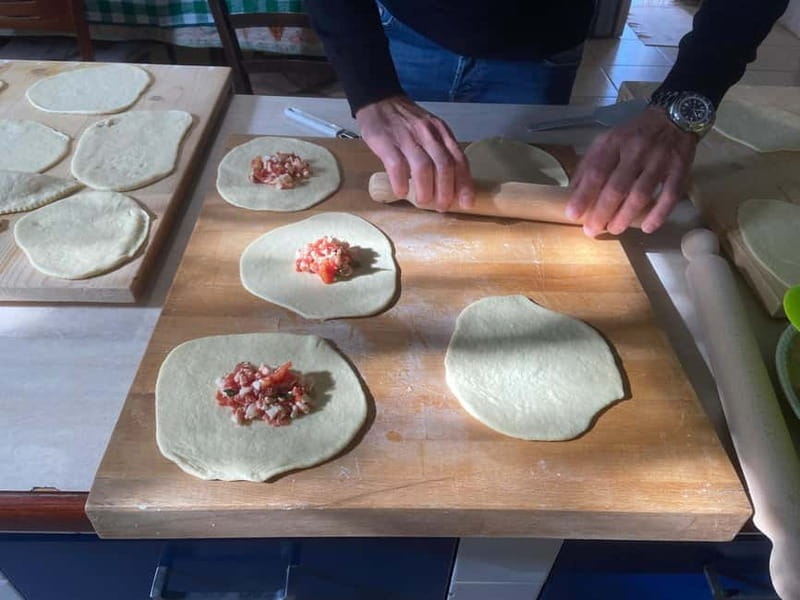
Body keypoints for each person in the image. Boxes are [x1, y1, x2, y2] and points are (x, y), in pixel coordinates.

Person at [305, 0, 789, 236]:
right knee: (418, 208)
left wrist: (687, 100)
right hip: (402, 31)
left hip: (539, 50)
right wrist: (370, 85)